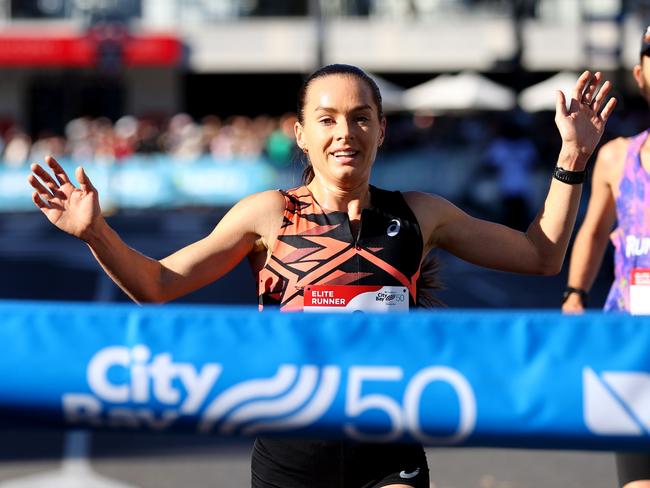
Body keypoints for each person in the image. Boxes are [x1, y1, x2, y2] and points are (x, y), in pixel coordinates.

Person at [29, 64, 614, 488]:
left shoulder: (420, 213)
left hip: (389, 452)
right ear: (302, 133)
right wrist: (95, 233)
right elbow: (157, 286)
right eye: (328, 119)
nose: (346, 133)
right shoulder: (267, 214)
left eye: (362, 119)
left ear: (382, 130)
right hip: (291, 456)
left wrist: (572, 161)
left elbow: (539, 256)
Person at [562, 28, 650, 488]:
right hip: (630, 346)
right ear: (640, 74)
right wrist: (575, 294)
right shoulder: (619, 158)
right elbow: (593, 232)